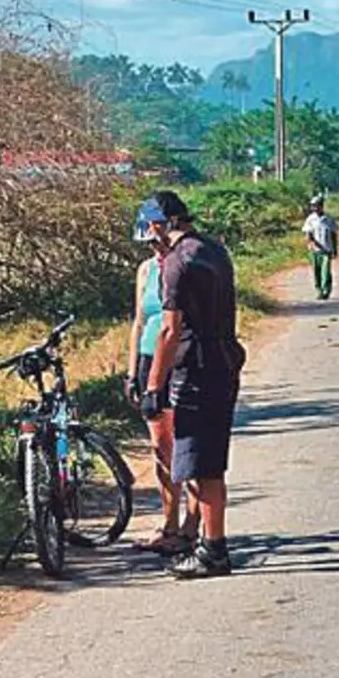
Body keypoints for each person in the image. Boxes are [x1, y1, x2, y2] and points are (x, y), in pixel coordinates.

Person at [137, 191, 247, 579]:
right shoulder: (215, 250)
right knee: (210, 462)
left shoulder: (175, 262)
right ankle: (210, 544)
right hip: (224, 362)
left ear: (158, 224)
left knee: (201, 465)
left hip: (196, 371)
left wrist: (153, 387)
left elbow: (169, 330)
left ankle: (213, 551)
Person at [124, 217, 199, 556]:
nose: (156, 250)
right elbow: (139, 323)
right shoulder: (146, 271)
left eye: (158, 243)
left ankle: (192, 525)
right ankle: (169, 523)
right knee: (161, 445)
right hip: (147, 359)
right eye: (149, 245)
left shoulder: (184, 267)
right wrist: (131, 373)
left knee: (187, 442)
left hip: (180, 359)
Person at [301, 194, 339, 301]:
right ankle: (319, 290)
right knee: (316, 272)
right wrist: (312, 244)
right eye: (313, 206)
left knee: (325, 271)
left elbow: (334, 234)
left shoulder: (328, 219)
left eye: (316, 206)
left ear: (321, 206)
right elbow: (308, 234)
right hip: (315, 250)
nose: (314, 208)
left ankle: (326, 291)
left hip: (327, 250)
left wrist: (335, 249)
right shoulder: (310, 219)